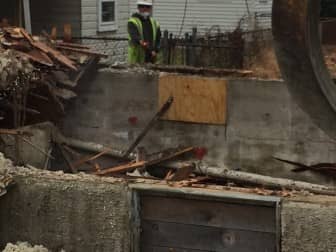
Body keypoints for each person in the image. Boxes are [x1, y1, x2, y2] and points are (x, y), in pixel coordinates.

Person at [128, 0, 161, 64]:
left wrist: (155, 50)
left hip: (151, 57)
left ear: (150, 8)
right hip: (137, 57)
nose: (145, 8)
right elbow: (134, 35)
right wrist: (141, 42)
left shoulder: (154, 22)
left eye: (147, 6)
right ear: (138, 7)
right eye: (142, 6)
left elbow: (158, 38)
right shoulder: (132, 21)